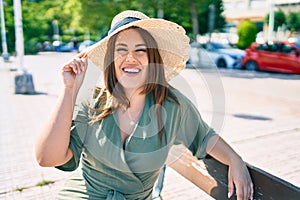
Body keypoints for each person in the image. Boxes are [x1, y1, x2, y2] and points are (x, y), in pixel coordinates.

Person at [35, 10, 253, 200]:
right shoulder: (91, 101)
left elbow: (205, 137)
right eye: (121, 50)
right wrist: (69, 91)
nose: (131, 57)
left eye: (141, 50)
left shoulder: (172, 106)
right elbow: (47, 158)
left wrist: (235, 160)